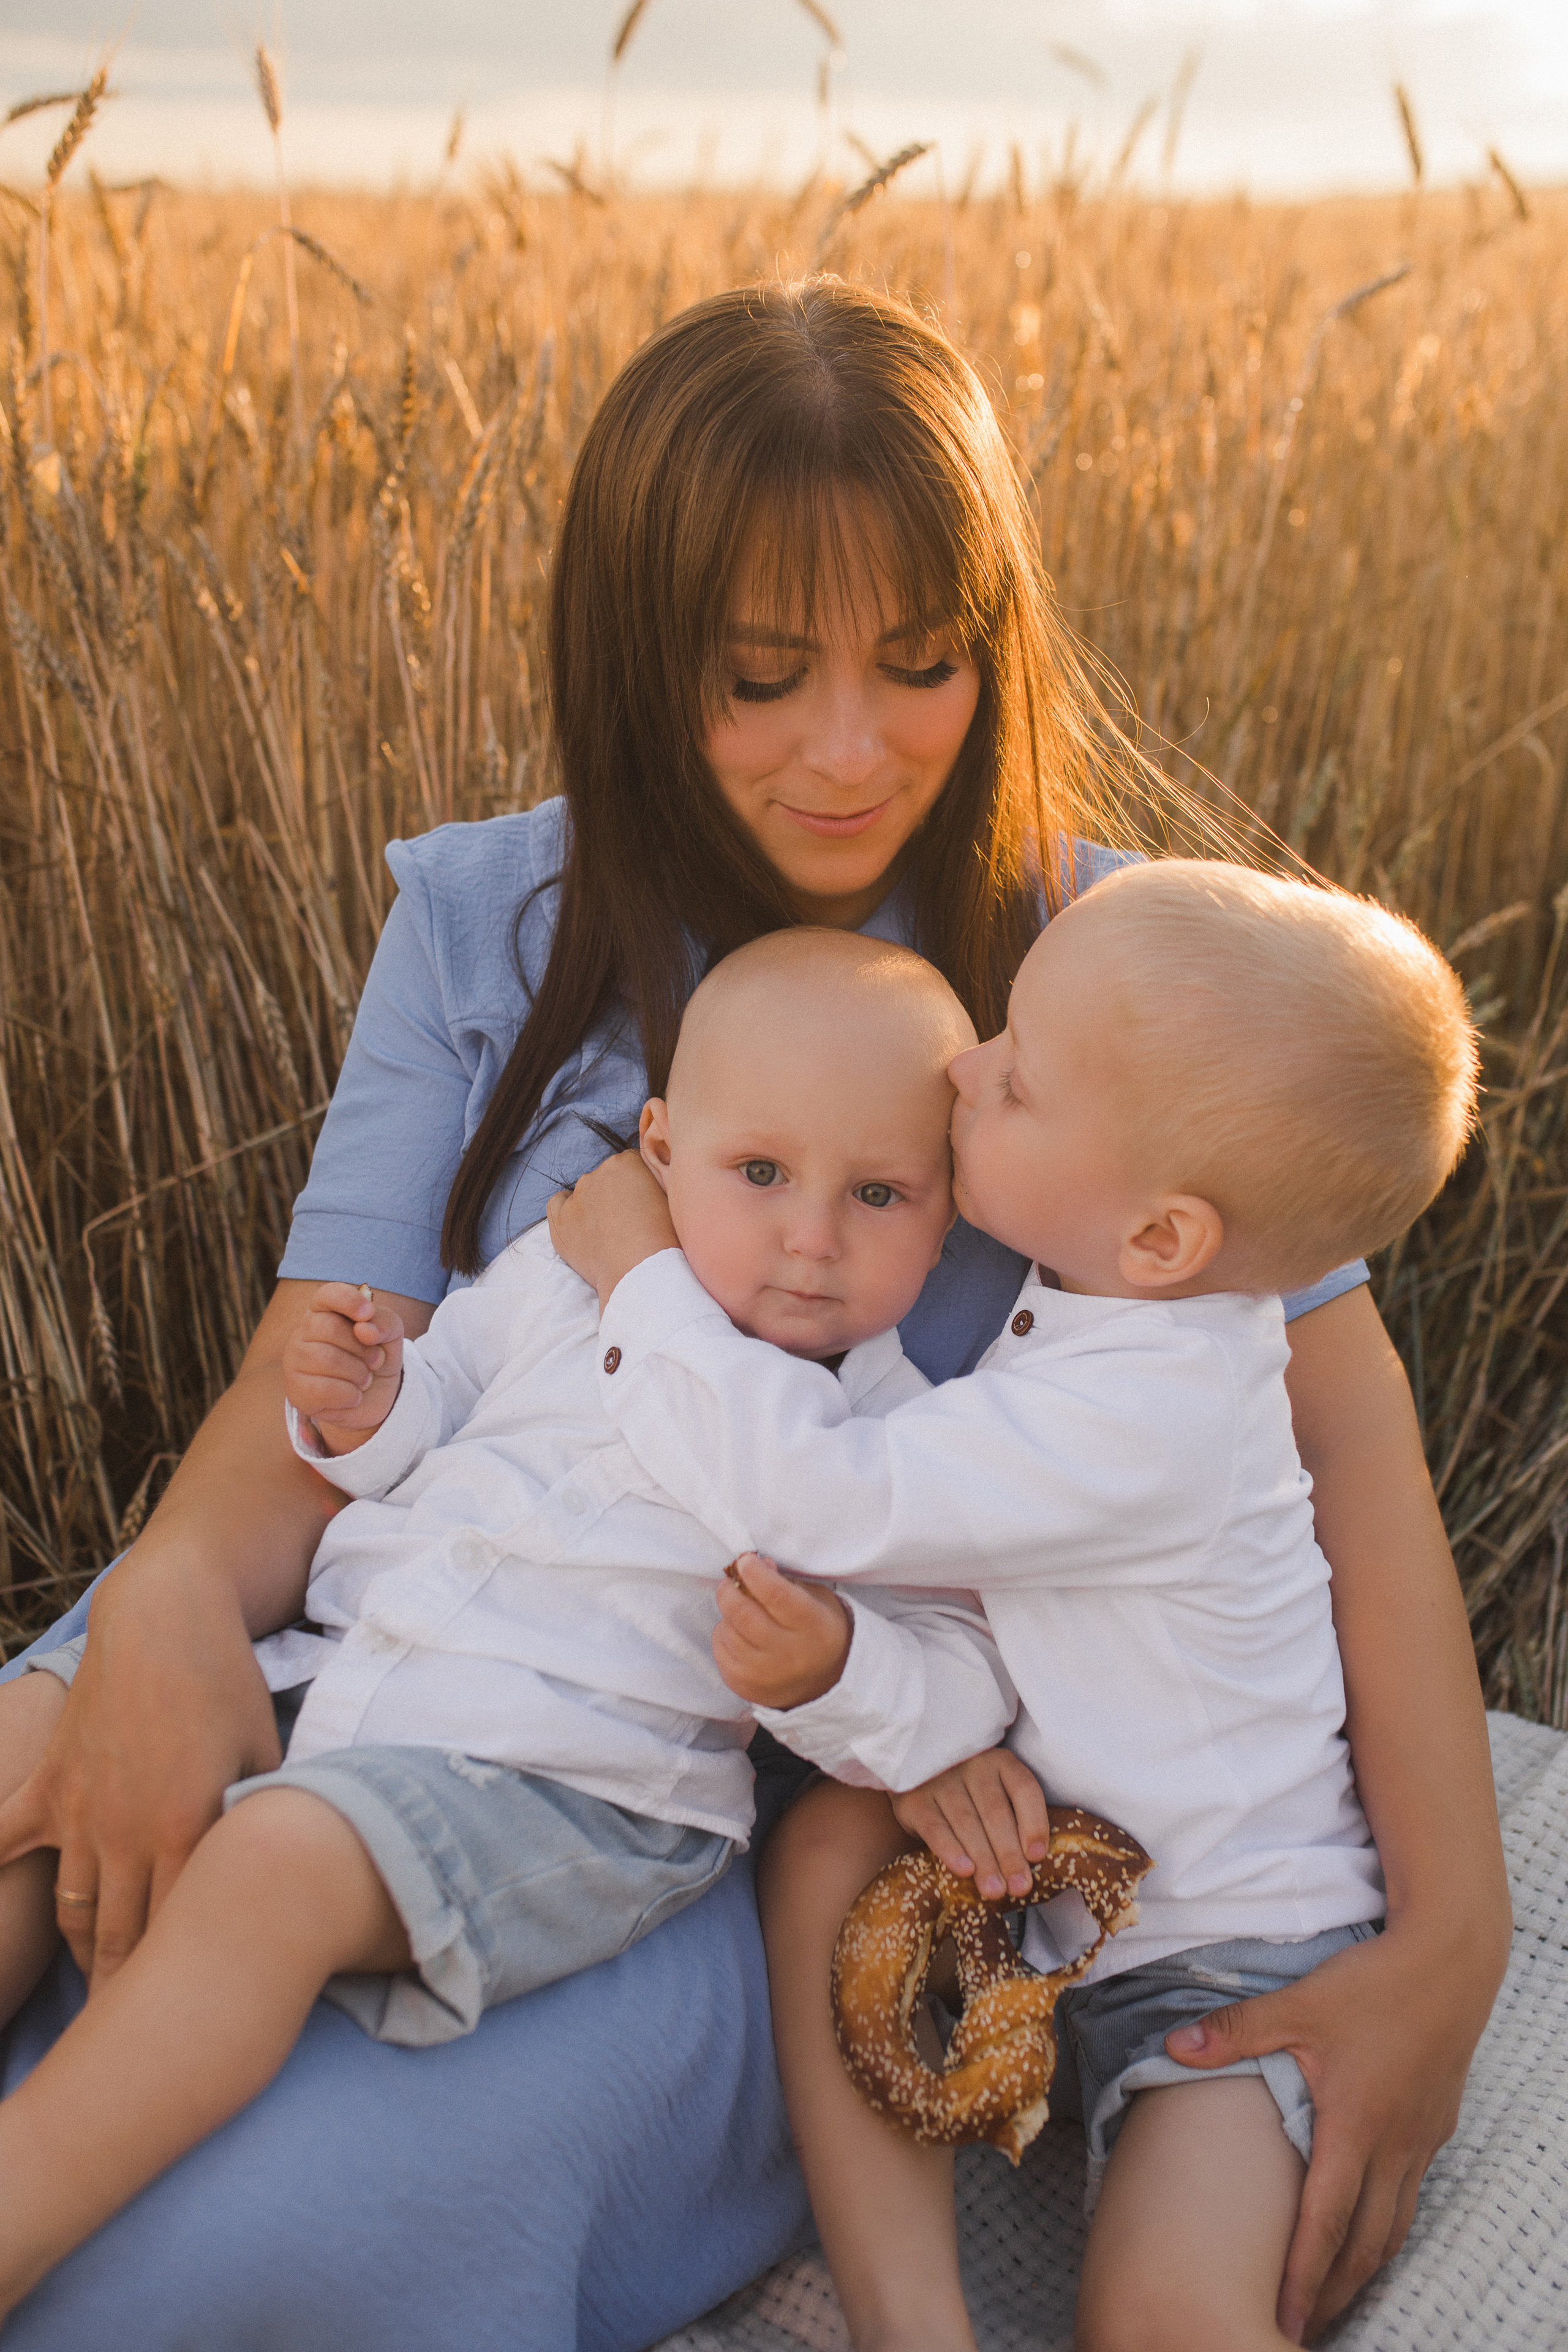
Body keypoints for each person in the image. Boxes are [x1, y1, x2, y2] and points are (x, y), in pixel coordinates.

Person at [0, 280, 1506, 2351]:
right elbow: (325, 1363)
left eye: (922, 665)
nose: (849, 748)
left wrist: (1460, 1936)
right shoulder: (487, 921)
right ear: (637, 663)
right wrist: (168, 1596)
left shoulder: (1112, 982)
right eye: (761, 676)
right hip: (384, 1592)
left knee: (222, 2260)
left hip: (670, 1768)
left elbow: (1348, 1449)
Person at [0, 934, 1022, 2318]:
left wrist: (841, 1665)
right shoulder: (553, 1282)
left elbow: (955, 1680)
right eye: (761, 1174)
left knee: (271, 1869)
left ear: (946, 1213)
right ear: (662, 1148)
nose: (810, 1236)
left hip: (565, 1787)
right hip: (347, 1687)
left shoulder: (888, 1440)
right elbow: (435, 1405)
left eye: (879, 1194)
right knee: (36, 1790)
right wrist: (364, 1408)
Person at [551, 858, 1487, 2350]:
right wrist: (877, 1702)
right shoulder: (1102, 1313)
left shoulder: (1154, 1408)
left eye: (1018, 1077)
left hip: (1237, 1968)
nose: (964, 1070)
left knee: (1161, 2317)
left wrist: (641, 1285)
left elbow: (830, 1502)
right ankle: (909, 2320)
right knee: (822, 1865)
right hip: (1063, 1907)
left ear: (1164, 1235)